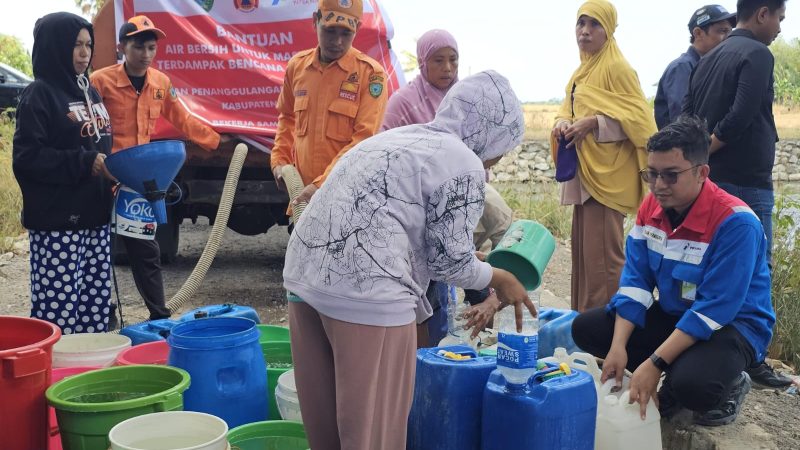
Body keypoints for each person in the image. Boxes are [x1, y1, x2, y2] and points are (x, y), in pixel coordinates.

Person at [282, 71, 534, 450]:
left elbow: (404, 228)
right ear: (493, 131)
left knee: (329, 435)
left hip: (304, 279)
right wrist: (501, 276)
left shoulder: (400, 138)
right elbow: (451, 264)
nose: (497, 159)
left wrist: (467, 257)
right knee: (373, 435)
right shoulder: (464, 161)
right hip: (366, 293)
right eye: (503, 146)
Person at [572, 115, 775, 427]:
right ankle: (674, 362)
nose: (658, 186)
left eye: (670, 175)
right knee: (587, 329)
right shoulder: (650, 208)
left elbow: (715, 309)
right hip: (678, 312)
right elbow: (635, 284)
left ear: (701, 173)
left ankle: (732, 379)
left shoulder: (736, 223)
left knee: (692, 387)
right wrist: (617, 348)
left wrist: (655, 363)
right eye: (651, 175)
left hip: (731, 325)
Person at [682, 0, 792, 388]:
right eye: (779, 17)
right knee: (755, 271)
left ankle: (708, 348)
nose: (780, 27)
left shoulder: (708, 57)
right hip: (745, 181)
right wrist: (707, 149)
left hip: (712, 183)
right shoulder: (757, 54)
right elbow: (743, 114)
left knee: (712, 268)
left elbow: (688, 113)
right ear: (762, 13)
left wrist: (696, 163)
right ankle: (752, 359)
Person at [380, 29, 512, 347]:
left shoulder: (465, 99)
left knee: (502, 219)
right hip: (417, 199)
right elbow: (386, 150)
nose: (448, 68)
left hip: (464, 191)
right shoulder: (403, 103)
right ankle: (426, 345)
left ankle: (491, 302)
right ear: (423, 63)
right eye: (438, 60)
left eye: (453, 60)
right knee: (439, 261)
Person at [90, 15, 224, 322]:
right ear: (122, 46)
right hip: (102, 176)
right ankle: (99, 314)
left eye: (151, 48)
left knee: (145, 250)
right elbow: (88, 128)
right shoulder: (101, 81)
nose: (146, 54)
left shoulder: (161, 83)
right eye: (139, 46)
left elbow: (183, 119)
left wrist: (216, 141)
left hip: (137, 182)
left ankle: (159, 317)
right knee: (97, 248)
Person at [550, 0, 657, 313]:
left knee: (605, 261)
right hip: (585, 175)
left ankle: (607, 332)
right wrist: (562, 123)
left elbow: (641, 122)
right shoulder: (580, 72)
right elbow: (566, 109)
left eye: (594, 24)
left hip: (610, 177)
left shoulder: (618, 69)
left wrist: (594, 123)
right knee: (584, 258)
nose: (585, 32)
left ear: (608, 29)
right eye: (580, 24)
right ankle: (582, 323)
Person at [12, 12, 116, 334]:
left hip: (95, 217)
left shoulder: (89, 90)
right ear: (55, 46)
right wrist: (85, 163)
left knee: (95, 305)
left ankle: (88, 375)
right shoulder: (39, 94)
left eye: (88, 45)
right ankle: (56, 377)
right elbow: (27, 158)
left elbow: (99, 143)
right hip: (59, 224)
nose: (85, 53)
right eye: (75, 45)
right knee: (59, 313)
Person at [270, 0, 387, 210]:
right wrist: (279, 162)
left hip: (348, 201)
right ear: (315, 21)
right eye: (330, 31)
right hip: (302, 201)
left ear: (358, 29)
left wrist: (320, 186)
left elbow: (363, 140)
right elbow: (287, 118)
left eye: (346, 33)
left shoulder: (370, 75)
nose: (338, 42)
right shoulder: (297, 67)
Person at [654, 5, 735, 129]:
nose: (728, 38)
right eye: (722, 31)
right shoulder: (682, 68)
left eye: (730, 32)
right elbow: (683, 121)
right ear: (698, 33)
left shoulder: (710, 66)